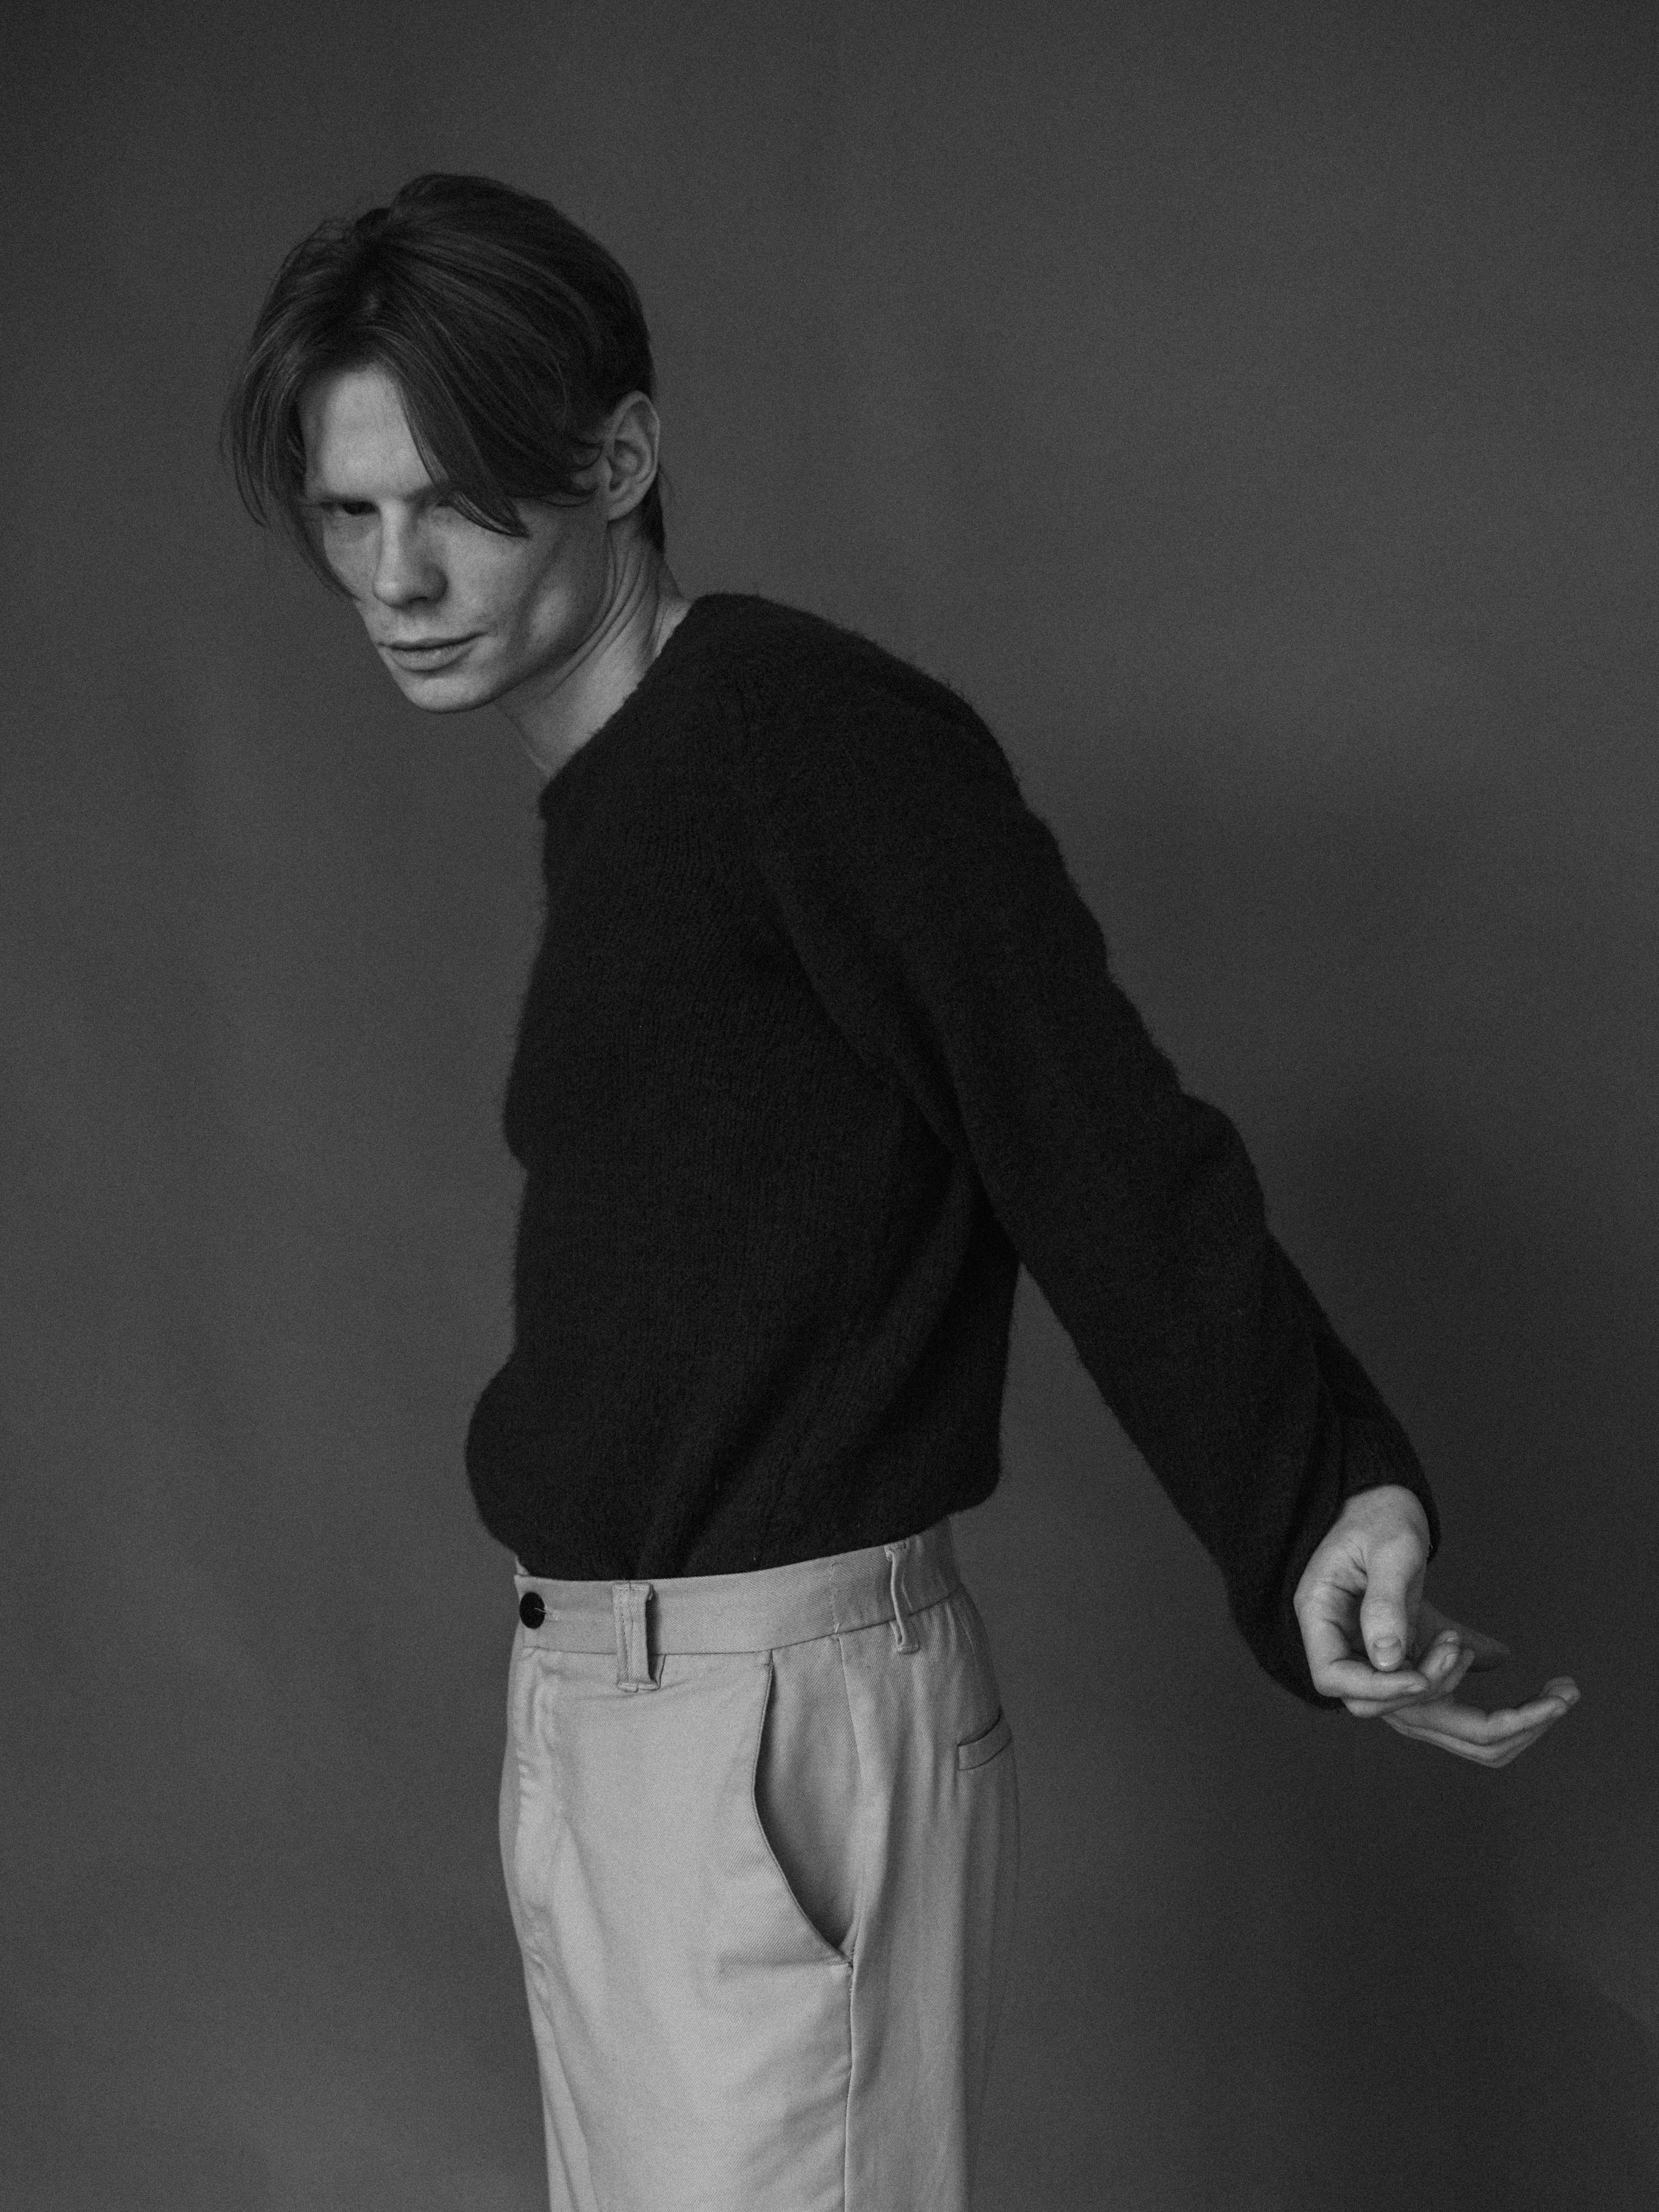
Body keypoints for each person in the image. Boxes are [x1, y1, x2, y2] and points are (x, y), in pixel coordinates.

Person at [222, 171, 1578, 2212]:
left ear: (622, 457)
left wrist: (1325, 1503)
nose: (400, 575)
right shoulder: (628, 789)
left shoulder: (800, 737)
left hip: (768, 1727)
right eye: (352, 512)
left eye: (460, 501)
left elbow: (1091, 1135)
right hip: (604, 1719)